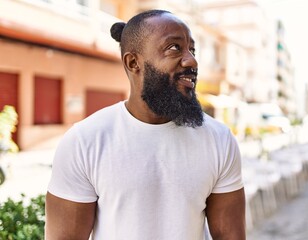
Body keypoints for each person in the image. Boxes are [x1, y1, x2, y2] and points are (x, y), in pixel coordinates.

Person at [45, 9, 246, 240]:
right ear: (133, 63)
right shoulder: (84, 141)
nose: (191, 60)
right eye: (174, 48)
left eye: (192, 49)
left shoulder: (219, 139)